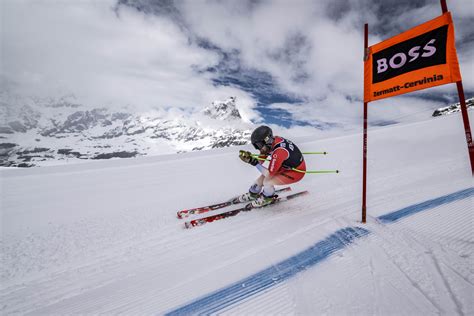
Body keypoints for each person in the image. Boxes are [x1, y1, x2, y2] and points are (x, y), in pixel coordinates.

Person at [238, 125, 306, 207]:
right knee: (262, 178)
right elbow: (262, 159)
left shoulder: (279, 152)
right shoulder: (271, 143)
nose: (258, 149)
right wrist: (250, 159)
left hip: (296, 172)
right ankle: (253, 194)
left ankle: (267, 198)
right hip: (284, 166)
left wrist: (254, 162)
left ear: (267, 140)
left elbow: (269, 174)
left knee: (267, 181)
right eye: (256, 146)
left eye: (259, 145)